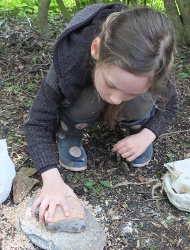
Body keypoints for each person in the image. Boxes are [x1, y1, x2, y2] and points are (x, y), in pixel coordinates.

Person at [24, 4, 178, 223]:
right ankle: (69, 132)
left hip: (125, 95)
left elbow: (171, 106)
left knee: (143, 100)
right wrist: (50, 177)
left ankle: (137, 129)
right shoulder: (72, 59)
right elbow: (37, 121)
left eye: (129, 92)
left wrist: (147, 135)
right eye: (111, 84)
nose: (115, 99)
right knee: (85, 98)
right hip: (84, 95)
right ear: (95, 49)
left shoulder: (153, 62)